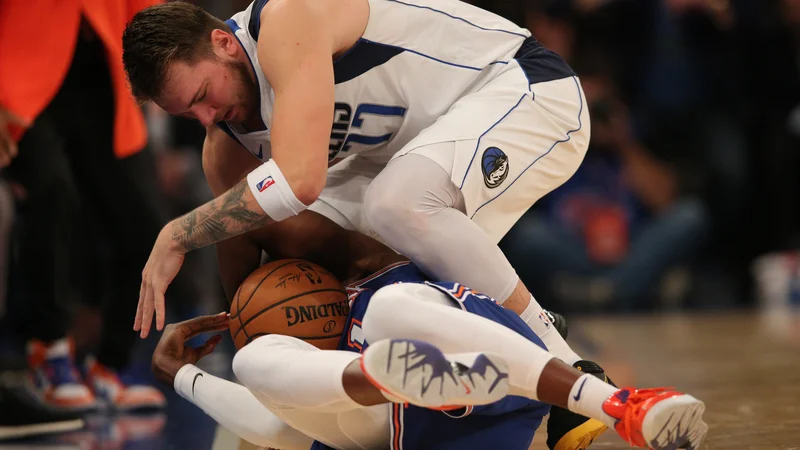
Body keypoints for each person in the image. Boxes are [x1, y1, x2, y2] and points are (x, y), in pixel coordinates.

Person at [122, 2, 605, 446]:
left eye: (204, 94)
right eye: (187, 113)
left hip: (522, 87)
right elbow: (250, 258)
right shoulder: (226, 146)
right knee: (338, 249)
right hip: (420, 149)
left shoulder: (286, 21)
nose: (207, 115)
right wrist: (241, 326)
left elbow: (299, 180)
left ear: (222, 43)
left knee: (394, 204)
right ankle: (471, 335)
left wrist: (177, 234)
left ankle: (562, 360)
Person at [150, 208, 708, 450]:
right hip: (403, 423)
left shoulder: (366, 260)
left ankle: (619, 404)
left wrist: (200, 228)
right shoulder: (299, 368)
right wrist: (179, 373)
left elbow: (247, 216)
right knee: (252, 362)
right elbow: (273, 427)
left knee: (390, 312)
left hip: (489, 367)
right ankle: (391, 380)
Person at [0, 0, 166, 411]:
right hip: (17, 74)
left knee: (145, 223)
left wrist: (164, 54)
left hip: (108, 65)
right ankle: (49, 352)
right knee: (53, 197)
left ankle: (111, 365)